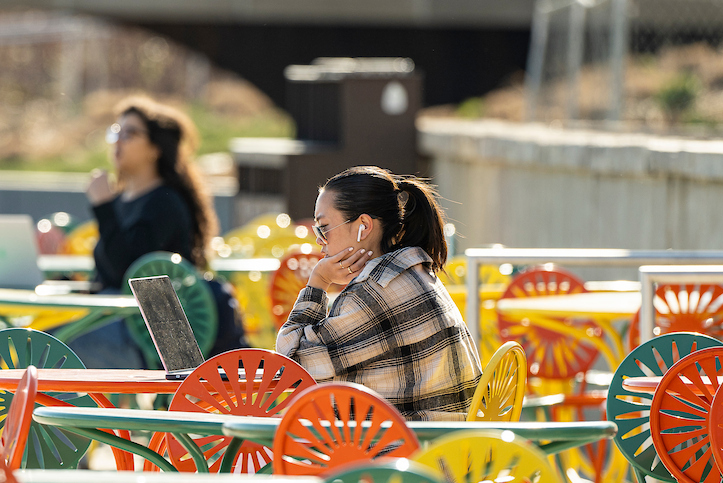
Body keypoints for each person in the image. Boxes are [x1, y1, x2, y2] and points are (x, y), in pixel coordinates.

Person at [275, 166, 481, 421]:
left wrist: (319, 280)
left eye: (323, 228)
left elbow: (290, 366)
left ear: (363, 226)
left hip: (400, 456)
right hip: (446, 449)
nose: (319, 240)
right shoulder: (415, 271)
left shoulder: (372, 294)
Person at [71, 96, 246, 368]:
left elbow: (128, 272)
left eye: (130, 133)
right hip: (115, 319)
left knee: (42, 348)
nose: (118, 140)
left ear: (155, 148)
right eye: (116, 132)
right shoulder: (120, 200)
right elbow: (108, 273)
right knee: (36, 340)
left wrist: (103, 207)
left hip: (149, 337)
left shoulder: (164, 203)